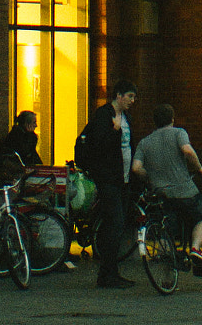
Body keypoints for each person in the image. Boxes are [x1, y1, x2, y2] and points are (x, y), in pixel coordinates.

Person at [131, 102, 202, 261]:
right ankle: (196, 248)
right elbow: (187, 151)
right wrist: (199, 168)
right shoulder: (178, 133)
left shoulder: (144, 142)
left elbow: (135, 168)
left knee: (165, 228)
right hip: (184, 191)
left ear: (154, 121)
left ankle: (168, 275)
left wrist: (149, 177)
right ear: (172, 119)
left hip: (160, 193)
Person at [81, 79, 137, 288]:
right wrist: (113, 132)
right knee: (116, 223)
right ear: (119, 95)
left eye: (134, 97)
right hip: (108, 178)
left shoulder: (126, 118)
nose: (133, 101)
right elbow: (99, 146)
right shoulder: (104, 115)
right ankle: (108, 273)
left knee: (115, 224)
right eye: (130, 96)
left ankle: (110, 272)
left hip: (122, 179)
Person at [0, 108, 39, 178]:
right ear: (27, 124)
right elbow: (25, 152)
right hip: (17, 172)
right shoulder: (16, 136)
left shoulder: (29, 136)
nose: (36, 125)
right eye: (34, 122)